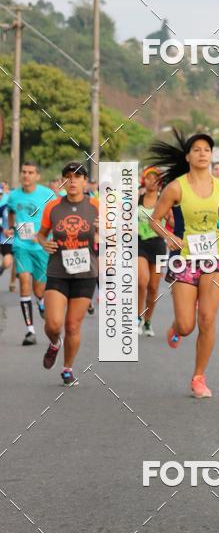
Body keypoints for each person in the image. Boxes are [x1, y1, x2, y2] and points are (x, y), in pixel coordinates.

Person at [148, 130, 219, 399]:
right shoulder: (176, 187)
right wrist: (168, 236)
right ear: (188, 157)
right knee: (186, 325)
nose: (203, 153)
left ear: (211, 155)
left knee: (207, 319)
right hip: (184, 259)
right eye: (197, 150)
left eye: (207, 149)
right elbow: (154, 220)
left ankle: (198, 377)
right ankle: (176, 327)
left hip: (214, 257)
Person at [37, 162, 99, 385]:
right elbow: (41, 234)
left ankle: (67, 368)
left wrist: (104, 230)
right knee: (53, 324)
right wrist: (44, 243)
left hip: (85, 273)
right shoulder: (53, 207)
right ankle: (55, 343)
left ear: (85, 182)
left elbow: (114, 237)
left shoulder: (97, 206)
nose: (72, 181)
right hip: (58, 270)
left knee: (72, 325)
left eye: (77, 176)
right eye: (68, 176)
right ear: (63, 181)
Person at [6, 163, 55, 345]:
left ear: (37, 176)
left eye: (31, 172)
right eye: (24, 172)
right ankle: (30, 331)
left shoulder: (47, 194)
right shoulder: (14, 196)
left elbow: (55, 217)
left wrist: (44, 236)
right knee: (24, 281)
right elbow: (11, 212)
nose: (26, 175)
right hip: (21, 246)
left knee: (39, 289)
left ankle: (41, 302)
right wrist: (11, 228)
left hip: (41, 247)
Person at [137, 165, 168, 337]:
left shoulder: (164, 200)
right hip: (139, 243)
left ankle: (148, 321)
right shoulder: (137, 198)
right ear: (144, 180)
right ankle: (137, 317)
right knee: (142, 281)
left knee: (153, 287)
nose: (152, 181)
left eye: (156, 178)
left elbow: (172, 221)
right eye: (149, 178)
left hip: (158, 245)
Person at [0, 182, 15, 282]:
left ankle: (12, 282)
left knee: (18, 265)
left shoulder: (25, 208)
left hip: (22, 240)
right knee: (7, 262)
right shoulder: (3, 208)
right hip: (7, 239)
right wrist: (3, 230)